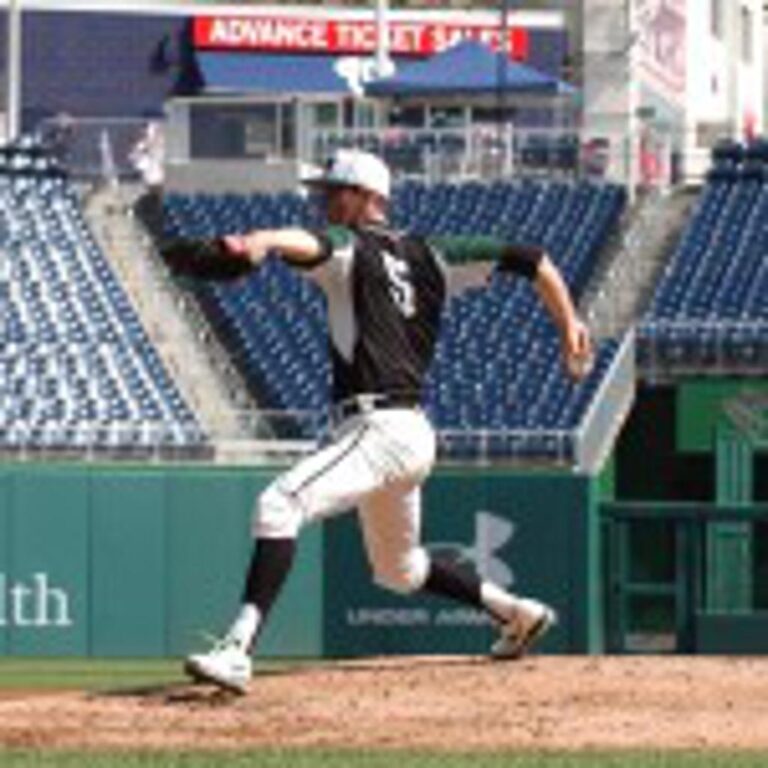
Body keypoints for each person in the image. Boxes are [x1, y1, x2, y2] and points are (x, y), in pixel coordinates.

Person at [184, 149, 593, 694]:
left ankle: (237, 649)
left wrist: (260, 241)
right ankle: (515, 612)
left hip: (378, 430)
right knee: (399, 571)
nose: (326, 200)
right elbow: (534, 259)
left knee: (278, 504)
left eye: (336, 192)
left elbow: (308, 242)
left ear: (367, 197)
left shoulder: (349, 248)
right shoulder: (434, 253)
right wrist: (569, 326)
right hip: (410, 434)